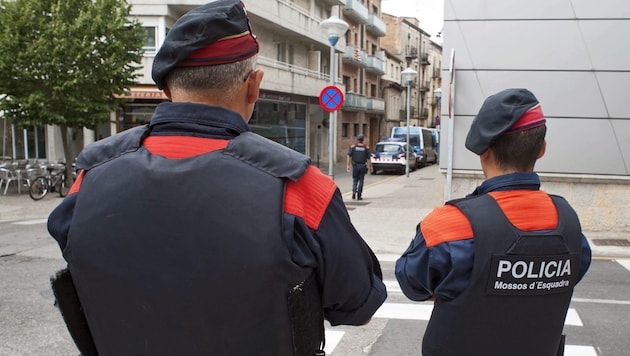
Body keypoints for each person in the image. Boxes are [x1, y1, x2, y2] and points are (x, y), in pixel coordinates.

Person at [47, 1, 387, 355]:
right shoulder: (301, 188)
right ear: (253, 86)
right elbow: (358, 306)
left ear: (167, 89)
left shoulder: (88, 180)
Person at [395, 88, 592, 356]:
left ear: (484, 151)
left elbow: (412, 284)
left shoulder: (449, 224)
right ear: (542, 149)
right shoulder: (568, 223)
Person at [346, 134, 373, 200]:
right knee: (361, 180)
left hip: (355, 166)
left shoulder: (353, 147)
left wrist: (348, 165)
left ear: (357, 140)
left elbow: (348, 156)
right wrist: (371, 167)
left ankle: (354, 191)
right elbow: (369, 159)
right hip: (363, 166)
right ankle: (359, 195)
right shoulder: (366, 148)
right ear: (363, 140)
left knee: (355, 180)